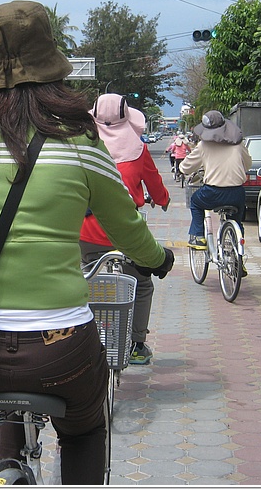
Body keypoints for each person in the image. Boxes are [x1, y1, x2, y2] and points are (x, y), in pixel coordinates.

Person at [0, 0, 175, 485]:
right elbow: (128, 229)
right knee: (85, 430)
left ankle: (6, 470)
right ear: (52, 64)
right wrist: (159, 259)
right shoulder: (80, 144)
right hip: (61, 344)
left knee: (8, 393)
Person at [80, 93, 171, 366]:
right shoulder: (138, 149)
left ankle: (83, 340)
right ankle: (137, 345)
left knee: (84, 280)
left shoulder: (82, 147)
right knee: (141, 284)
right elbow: (154, 183)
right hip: (126, 233)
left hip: (87, 231)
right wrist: (164, 199)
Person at [179, 110, 252, 270]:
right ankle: (237, 260)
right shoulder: (238, 143)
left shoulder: (204, 145)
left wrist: (184, 169)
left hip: (213, 193)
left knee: (196, 202)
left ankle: (199, 236)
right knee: (237, 223)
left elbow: (186, 167)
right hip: (237, 193)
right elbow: (248, 164)